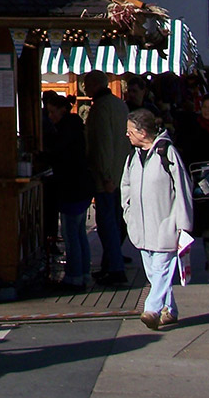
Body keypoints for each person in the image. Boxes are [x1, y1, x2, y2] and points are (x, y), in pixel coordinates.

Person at [121, 108, 193, 330]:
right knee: (154, 273)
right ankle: (169, 310)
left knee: (161, 269)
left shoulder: (166, 152)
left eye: (130, 131)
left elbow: (182, 189)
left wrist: (183, 224)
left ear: (143, 132)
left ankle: (151, 309)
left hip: (165, 224)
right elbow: (126, 186)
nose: (127, 135)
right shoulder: (133, 156)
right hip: (141, 227)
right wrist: (128, 212)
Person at [83, 70, 131, 285]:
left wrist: (105, 175)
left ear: (93, 86)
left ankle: (114, 268)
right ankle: (111, 264)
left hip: (107, 177)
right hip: (122, 172)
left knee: (107, 223)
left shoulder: (101, 108)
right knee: (116, 221)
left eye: (86, 84)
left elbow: (102, 144)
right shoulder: (120, 104)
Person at [43, 94, 94, 289]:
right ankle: (84, 273)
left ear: (62, 110)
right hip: (80, 185)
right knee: (79, 232)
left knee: (71, 232)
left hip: (72, 186)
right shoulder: (74, 126)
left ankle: (74, 275)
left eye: (52, 112)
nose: (50, 116)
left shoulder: (66, 129)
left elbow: (58, 152)